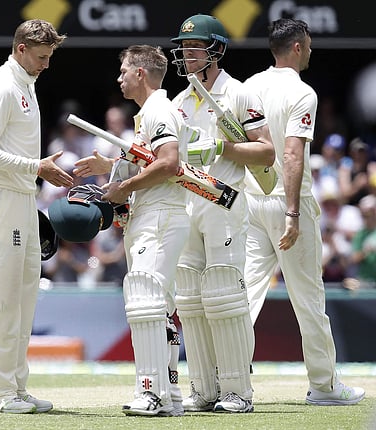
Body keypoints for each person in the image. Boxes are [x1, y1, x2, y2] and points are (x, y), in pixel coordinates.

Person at [243, 18, 365, 405]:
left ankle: (223, 379)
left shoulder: (248, 87)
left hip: (249, 200)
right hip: (285, 202)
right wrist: (293, 214)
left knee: (243, 294)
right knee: (308, 297)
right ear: (297, 47)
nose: (311, 50)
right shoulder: (302, 92)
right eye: (309, 44)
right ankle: (326, 386)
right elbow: (292, 152)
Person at [74, 44, 191, 416]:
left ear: (141, 73)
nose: (119, 77)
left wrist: (121, 189)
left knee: (146, 302)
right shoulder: (151, 114)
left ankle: (151, 393)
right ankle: (169, 393)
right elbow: (150, 160)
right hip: (158, 213)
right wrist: (109, 164)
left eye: (124, 70)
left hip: (158, 215)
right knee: (159, 305)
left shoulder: (158, 110)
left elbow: (170, 163)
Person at [169, 14, 274, 413]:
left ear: (217, 51)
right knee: (190, 299)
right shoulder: (179, 102)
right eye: (184, 48)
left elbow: (266, 152)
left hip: (224, 201)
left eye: (195, 47)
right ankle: (204, 388)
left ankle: (237, 391)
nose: (187, 54)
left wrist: (222, 148)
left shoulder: (239, 94)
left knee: (225, 296)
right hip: (188, 201)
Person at [0, 19, 73, 414]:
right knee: (4, 296)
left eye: (50, 58)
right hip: (1, 196)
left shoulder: (25, 83)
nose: (46, 65)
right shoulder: (3, 87)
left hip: (21, 196)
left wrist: (35, 172)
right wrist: (36, 167)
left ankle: (16, 386)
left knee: (26, 292)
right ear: (21, 49)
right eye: (42, 57)